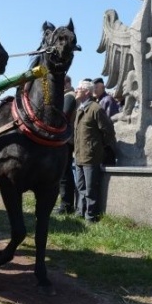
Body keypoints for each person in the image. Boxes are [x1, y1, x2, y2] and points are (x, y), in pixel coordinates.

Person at [73, 78, 117, 223]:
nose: (76, 90)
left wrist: (98, 146)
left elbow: (108, 131)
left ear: (86, 92)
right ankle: (81, 212)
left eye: (79, 88)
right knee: (80, 187)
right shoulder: (80, 109)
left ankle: (90, 216)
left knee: (91, 188)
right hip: (79, 155)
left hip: (91, 156)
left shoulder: (96, 109)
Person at [55, 75, 77, 214]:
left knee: (65, 173)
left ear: (67, 84)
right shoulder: (66, 96)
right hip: (65, 139)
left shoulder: (69, 96)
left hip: (66, 140)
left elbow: (63, 116)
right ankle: (65, 204)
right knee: (64, 172)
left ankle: (66, 205)